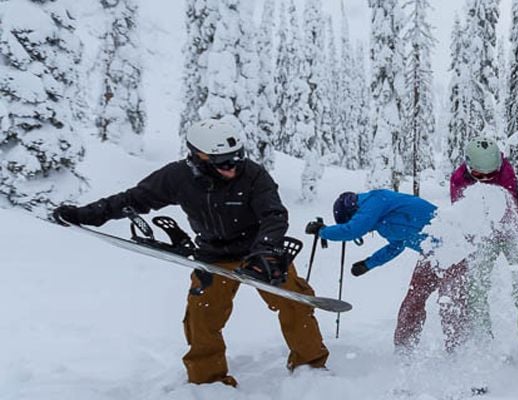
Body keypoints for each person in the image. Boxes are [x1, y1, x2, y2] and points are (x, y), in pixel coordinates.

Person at [52, 118, 329, 387]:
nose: (233, 167)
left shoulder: (253, 174)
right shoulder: (178, 177)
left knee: (296, 302)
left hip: (257, 254)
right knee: (201, 318)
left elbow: (274, 214)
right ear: (199, 158)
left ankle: (311, 366)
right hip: (213, 256)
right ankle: (209, 381)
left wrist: (266, 251)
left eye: (237, 157)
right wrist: (84, 215)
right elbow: (131, 199)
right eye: (224, 163)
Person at [305, 190, 469, 353]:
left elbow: (353, 230)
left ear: (352, 211)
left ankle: (459, 349)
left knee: (450, 300)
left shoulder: (375, 200)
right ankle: (404, 349)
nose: (368, 230)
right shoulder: (382, 221)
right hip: (431, 254)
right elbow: (396, 245)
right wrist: (368, 264)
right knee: (413, 300)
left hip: (453, 247)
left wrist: (323, 231)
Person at [450, 137, 518, 356]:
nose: (487, 180)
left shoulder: (506, 171)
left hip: (514, 231)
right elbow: (462, 213)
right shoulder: (458, 178)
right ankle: (483, 340)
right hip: (483, 235)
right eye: (480, 176)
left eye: (492, 175)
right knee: (476, 284)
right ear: (469, 166)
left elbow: (511, 209)